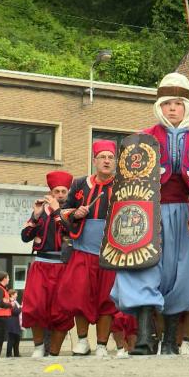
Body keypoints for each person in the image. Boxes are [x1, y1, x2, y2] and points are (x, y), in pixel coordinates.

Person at [111, 72, 189, 356]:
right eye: (167, 103)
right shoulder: (143, 139)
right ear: (159, 107)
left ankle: (169, 341)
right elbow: (128, 182)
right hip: (146, 215)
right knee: (142, 270)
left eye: (178, 103)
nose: (172, 109)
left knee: (176, 275)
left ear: (186, 107)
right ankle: (144, 338)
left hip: (182, 217)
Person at [59, 140, 117, 356]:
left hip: (111, 253)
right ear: (94, 161)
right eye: (102, 157)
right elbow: (62, 213)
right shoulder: (80, 183)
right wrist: (75, 213)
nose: (106, 160)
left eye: (110, 157)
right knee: (79, 296)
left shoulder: (122, 185)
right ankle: (82, 341)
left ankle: (102, 345)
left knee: (107, 300)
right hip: (83, 250)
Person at [20, 171, 75, 357]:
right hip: (41, 265)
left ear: (68, 193)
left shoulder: (73, 211)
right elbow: (25, 237)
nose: (60, 194)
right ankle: (37, 348)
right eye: (56, 191)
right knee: (34, 307)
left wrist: (58, 212)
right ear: (50, 193)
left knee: (62, 311)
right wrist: (35, 216)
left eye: (63, 191)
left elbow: (72, 231)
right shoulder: (41, 213)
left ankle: (54, 352)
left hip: (64, 266)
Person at [6, 290, 22, 357]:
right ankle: (9, 354)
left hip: (15, 323)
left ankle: (16, 353)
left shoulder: (15, 302)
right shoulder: (10, 302)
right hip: (12, 323)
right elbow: (14, 311)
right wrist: (21, 308)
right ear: (12, 295)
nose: (17, 295)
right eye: (16, 294)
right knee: (11, 339)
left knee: (17, 339)